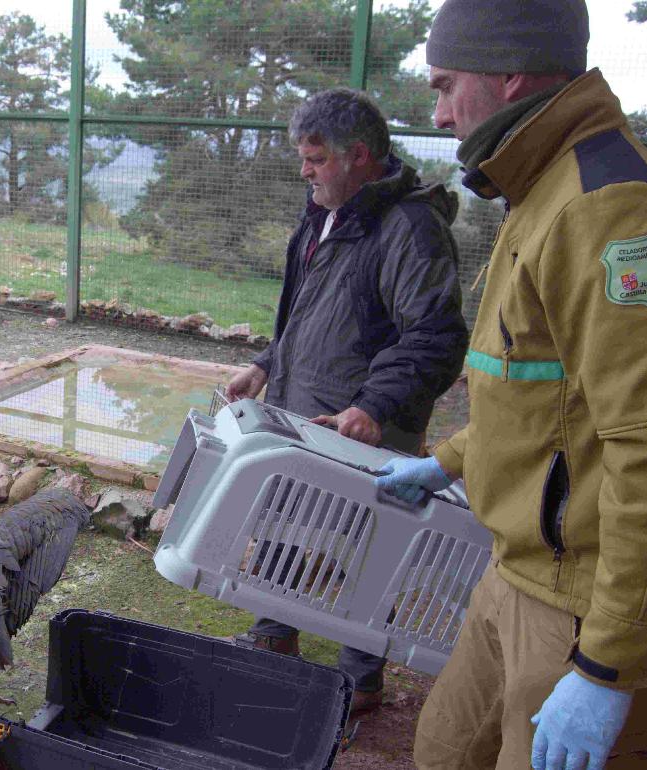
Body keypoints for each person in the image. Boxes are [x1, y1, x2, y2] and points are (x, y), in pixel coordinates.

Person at [375, 1, 647, 768]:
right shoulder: (540, 189)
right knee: (445, 750)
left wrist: (608, 668)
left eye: (447, 84)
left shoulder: (613, 213)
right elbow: (537, 393)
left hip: (589, 602)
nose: (441, 110)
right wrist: (450, 459)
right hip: (513, 572)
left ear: (509, 73)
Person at [226, 88, 468, 715]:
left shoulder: (411, 228)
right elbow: (310, 311)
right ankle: (273, 638)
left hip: (365, 427)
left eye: (314, 159)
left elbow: (435, 336)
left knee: (369, 549)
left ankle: (360, 681)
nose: (303, 171)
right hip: (306, 409)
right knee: (278, 519)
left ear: (358, 155)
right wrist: (265, 364)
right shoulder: (325, 210)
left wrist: (376, 406)